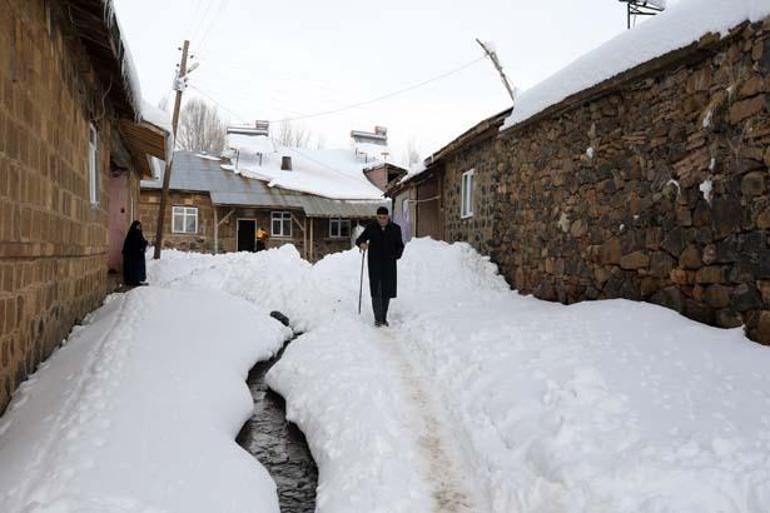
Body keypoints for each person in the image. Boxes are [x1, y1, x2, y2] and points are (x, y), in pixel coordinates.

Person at [356, 207, 404, 327]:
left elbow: (400, 245)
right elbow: (360, 239)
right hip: (375, 264)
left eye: (384, 217)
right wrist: (362, 243)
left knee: (386, 291)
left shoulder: (395, 229)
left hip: (389, 264)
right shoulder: (371, 227)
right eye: (379, 218)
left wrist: (395, 256)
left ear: (388, 217)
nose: (382, 220)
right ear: (376, 217)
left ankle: (383, 317)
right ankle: (378, 319)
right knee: (376, 290)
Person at [122, 220, 148, 286]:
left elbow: (141, 242)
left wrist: (144, 243)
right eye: (138, 226)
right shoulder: (133, 234)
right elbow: (136, 243)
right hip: (133, 255)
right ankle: (134, 280)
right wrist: (144, 243)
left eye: (140, 226)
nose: (139, 228)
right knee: (133, 268)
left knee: (136, 268)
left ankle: (137, 280)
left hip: (136, 255)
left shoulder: (138, 233)